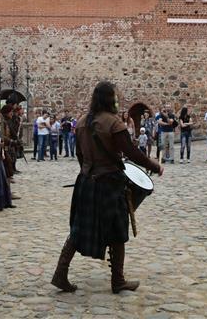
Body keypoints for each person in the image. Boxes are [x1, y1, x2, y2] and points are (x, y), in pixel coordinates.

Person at [50, 81, 162, 294]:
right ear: (110, 99)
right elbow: (131, 152)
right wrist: (154, 166)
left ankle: (60, 273)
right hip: (109, 184)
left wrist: (87, 172)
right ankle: (117, 280)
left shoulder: (82, 122)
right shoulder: (113, 123)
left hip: (86, 182)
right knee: (118, 230)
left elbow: (79, 155)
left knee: (78, 229)